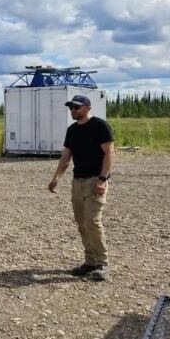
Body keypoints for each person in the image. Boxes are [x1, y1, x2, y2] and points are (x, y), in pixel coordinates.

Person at [48, 94, 115, 281]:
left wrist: (103, 179)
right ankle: (90, 261)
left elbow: (109, 154)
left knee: (92, 220)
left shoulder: (100, 126)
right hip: (78, 181)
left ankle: (102, 263)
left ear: (87, 108)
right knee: (81, 221)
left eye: (76, 107)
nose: (73, 111)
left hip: (96, 180)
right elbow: (66, 157)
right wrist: (56, 178)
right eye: (71, 108)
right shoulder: (72, 131)